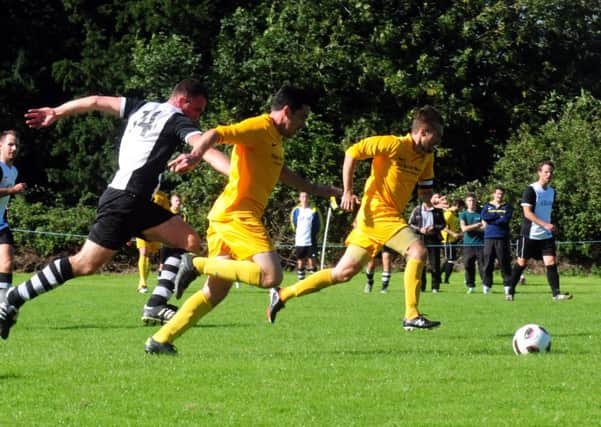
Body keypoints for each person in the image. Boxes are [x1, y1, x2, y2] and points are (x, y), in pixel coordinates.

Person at [0, 78, 231, 340]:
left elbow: (96, 101)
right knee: (84, 264)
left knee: (189, 239)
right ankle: (13, 298)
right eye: (197, 110)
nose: (198, 117)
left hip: (134, 201)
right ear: (183, 100)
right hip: (124, 202)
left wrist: (57, 111)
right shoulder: (177, 120)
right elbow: (208, 149)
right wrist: (237, 176)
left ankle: (156, 304)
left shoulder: (140, 107)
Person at [144, 86, 341, 354]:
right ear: (286, 111)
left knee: (215, 292)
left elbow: (283, 173)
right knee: (272, 275)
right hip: (238, 214)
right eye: (302, 117)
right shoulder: (259, 127)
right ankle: (196, 263)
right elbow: (216, 133)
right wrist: (195, 155)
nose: (302, 125)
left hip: (226, 215)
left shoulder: (273, 139)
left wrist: (319, 189)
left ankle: (160, 340)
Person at [264, 105, 445, 332]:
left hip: (376, 221)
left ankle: (283, 294)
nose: (438, 141)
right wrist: (347, 191)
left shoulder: (426, 157)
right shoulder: (393, 144)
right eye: (436, 135)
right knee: (417, 251)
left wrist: (432, 202)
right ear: (423, 132)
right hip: (377, 214)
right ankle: (411, 314)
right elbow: (352, 152)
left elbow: (425, 194)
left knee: (342, 273)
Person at [505, 161, 572, 301]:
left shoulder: (552, 192)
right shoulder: (531, 190)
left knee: (551, 262)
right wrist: (545, 224)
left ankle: (556, 294)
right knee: (522, 263)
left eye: (551, 172)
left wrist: (549, 226)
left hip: (546, 235)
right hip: (529, 234)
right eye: (546, 172)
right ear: (539, 172)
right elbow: (527, 213)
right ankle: (510, 290)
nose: (549, 174)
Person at [0, 130, 27, 295]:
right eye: (10, 144)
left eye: (16, 144)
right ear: (0, 146)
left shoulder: (14, 170)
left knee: (7, 261)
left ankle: (2, 303)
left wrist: (5, 208)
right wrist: (12, 190)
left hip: (0, 222)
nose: (14, 148)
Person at [408, 193, 446, 293]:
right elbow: (410, 224)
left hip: (434, 238)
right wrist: (420, 229)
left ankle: (435, 287)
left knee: (435, 264)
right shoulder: (417, 209)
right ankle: (421, 287)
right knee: (420, 263)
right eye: (434, 197)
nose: (436, 199)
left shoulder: (438, 211)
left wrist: (434, 228)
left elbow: (442, 224)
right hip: (420, 239)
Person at [135, 190, 170, 294]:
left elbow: (167, 213)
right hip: (141, 227)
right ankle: (142, 282)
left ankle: (144, 281)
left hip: (155, 229)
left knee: (149, 255)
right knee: (144, 252)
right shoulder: (141, 192)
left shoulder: (162, 196)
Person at [481, 186, 513, 296]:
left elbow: (505, 220)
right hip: (489, 237)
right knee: (488, 262)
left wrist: (493, 218)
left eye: (501, 194)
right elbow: (485, 216)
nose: (499, 196)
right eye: (497, 193)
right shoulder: (487, 206)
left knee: (504, 262)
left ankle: (508, 286)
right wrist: (497, 216)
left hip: (502, 237)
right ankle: (487, 285)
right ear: (493, 194)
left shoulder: (507, 207)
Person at [290, 191, 321, 281]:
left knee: (312, 261)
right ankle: (301, 281)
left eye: (306, 197)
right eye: (302, 197)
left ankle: (314, 282)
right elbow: (293, 224)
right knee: (300, 261)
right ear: (299, 198)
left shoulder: (314, 210)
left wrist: (316, 235)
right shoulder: (295, 210)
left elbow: (319, 225)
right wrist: (298, 234)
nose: (304, 199)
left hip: (311, 240)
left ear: (309, 198)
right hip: (300, 240)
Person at [459, 193, 485, 293]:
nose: (472, 202)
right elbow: (463, 228)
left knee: (483, 266)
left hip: (481, 244)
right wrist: (476, 225)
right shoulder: (463, 214)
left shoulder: (481, 213)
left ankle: (485, 285)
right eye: (469, 200)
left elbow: (484, 228)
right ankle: (471, 286)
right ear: (466, 202)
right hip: (468, 244)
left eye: (473, 200)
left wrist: (471, 228)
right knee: (468, 265)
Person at [441, 198, 464, 284]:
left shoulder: (453, 214)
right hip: (448, 240)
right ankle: (444, 279)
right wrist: (453, 234)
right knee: (450, 259)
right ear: (458, 206)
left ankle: (442, 278)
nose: (461, 210)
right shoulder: (448, 214)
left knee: (450, 259)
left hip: (453, 240)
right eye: (461, 207)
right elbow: (443, 226)